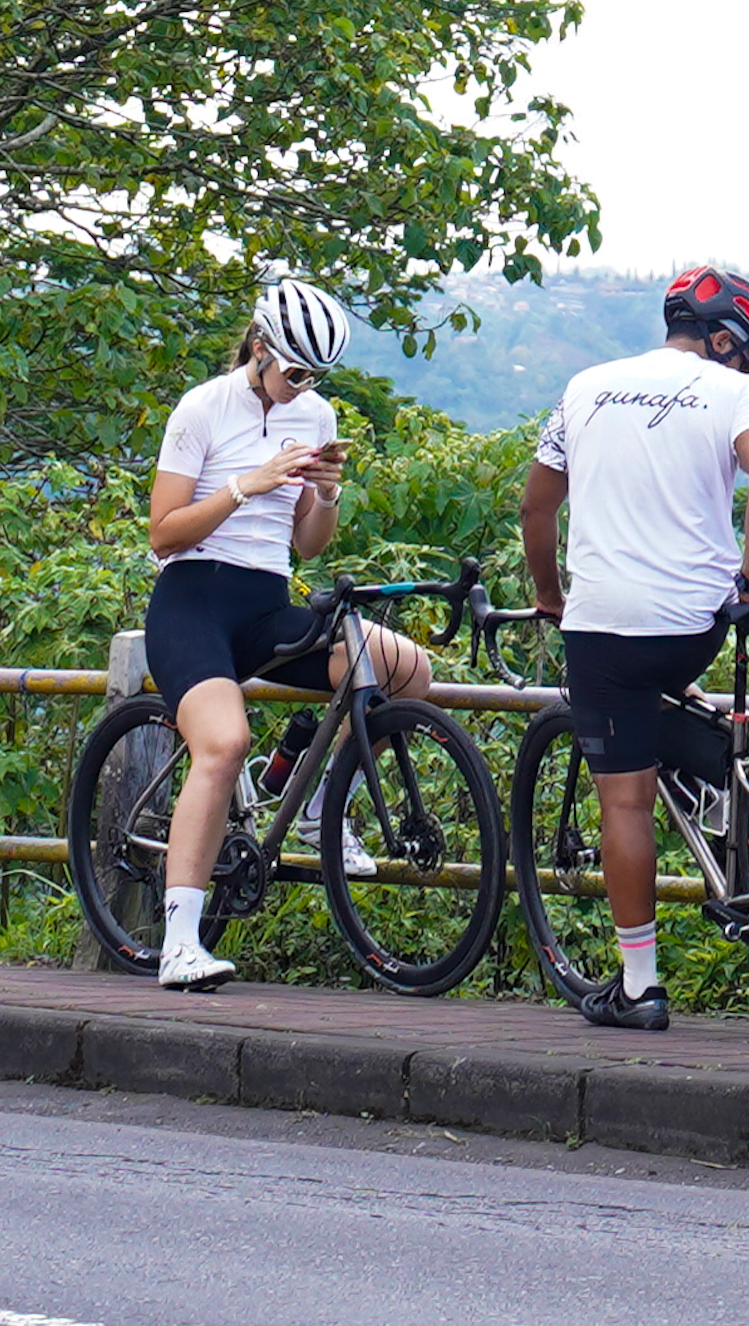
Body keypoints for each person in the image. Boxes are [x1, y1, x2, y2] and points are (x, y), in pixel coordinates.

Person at [520, 266, 749, 1031]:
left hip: (602, 627)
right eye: (746, 352)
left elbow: (537, 506)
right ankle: (711, 782)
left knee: (624, 800)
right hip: (694, 624)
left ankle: (639, 985)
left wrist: (549, 596)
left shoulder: (584, 387)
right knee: (663, 688)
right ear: (724, 340)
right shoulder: (735, 392)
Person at [144, 278, 433, 991]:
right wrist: (249, 483)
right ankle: (180, 940)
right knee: (224, 743)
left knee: (403, 669)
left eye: (315, 378)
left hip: (267, 601)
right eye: (295, 373)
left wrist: (326, 492)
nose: (303, 389)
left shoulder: (316, 414)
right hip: (193, 602)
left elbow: (309, 545)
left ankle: (313, 806)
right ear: (262, 347)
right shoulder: (203, 408)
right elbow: (163, 533)